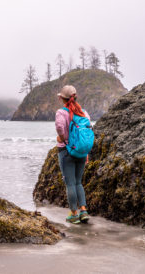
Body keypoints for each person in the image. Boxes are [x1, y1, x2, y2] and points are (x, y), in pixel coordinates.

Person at [55, 85, 91, 224]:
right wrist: (85, 151)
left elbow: (59, 127)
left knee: (70, 183)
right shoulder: (84, 112)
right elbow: (87, 131)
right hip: (81, 151)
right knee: (78, 182)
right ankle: (83, 211)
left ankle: (73, 214)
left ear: (61, 98)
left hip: (66, 150)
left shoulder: (61, 112)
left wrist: (62, 138)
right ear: (75, 97)